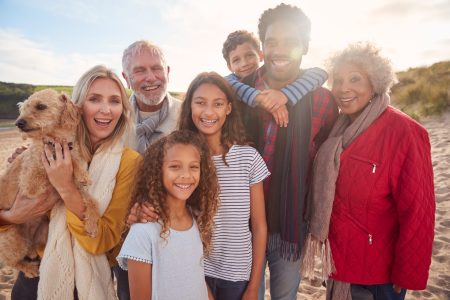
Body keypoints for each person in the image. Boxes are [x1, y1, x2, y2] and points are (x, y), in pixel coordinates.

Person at [302, 42, 435, 300]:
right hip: (339, 264)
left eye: (355, 79)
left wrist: (408, 272)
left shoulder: (405, 132)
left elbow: (418, 211)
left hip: (382, 275)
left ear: (375, 82)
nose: (344, 88)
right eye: (338, 80)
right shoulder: (335, 130)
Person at [0, 65, 140, 300]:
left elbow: (103, 240)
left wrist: (65, 186)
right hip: (35, 277)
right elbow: (9, 203)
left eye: (115, 101)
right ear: (76, 107)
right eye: (94, 99)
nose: (105, 109)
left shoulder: (129, 162)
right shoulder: (43, 147)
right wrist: (11, 217)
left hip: (90, 282)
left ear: (122, 109)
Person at [235, 4, 339, 299]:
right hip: (240, 219)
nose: (279, 50)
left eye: (291, 42)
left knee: (285, 294)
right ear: (262, 47)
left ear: (305, 46)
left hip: (290, 222)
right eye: (271, 42)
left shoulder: (322, 100)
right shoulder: (240, 91)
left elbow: (327, 162)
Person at [178, 72, 270, 300]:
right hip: (194, 272)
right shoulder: (182, 161)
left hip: (237, 277)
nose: (209, 112)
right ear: (190, 106)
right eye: (200, 103)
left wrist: (253, 287)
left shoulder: (248, 158)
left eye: (217, 104)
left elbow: (259, 227)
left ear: (228, 108)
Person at [117, 130, 219, 300]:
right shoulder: (143, 233)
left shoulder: (196, 219)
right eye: (175, 166)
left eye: (193, 167)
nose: (186, 175)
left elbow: (196, 280)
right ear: (158, 171)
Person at [222, 29, 328, 127]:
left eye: (249, 55)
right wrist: (263, 100)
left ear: (261, 55)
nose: (244, 63)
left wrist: (285, 94)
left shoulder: (277, 74)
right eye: (236, 60)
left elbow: (320, 73)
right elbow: (228, 83)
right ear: (229, 67)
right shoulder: (230, 82)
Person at [122, 40, 182, 154]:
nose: (150, 77)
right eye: (139, 71)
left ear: (167, 72)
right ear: (126, 78)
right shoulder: (115, 119)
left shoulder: (188, 115)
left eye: (156, 68)